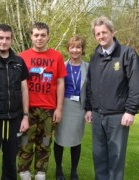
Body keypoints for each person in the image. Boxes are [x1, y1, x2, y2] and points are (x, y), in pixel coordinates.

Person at [85, 16, 139, 180]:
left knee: (116, 159)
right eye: (98, 34)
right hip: (97, 115)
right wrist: (88, 108)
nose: (101, 36)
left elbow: (135, 85)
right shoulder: (94, 56)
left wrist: (131, 111)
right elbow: (90, 85)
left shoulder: (127, 54)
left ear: (112, 32)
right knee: (99, 157)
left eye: (104, 32)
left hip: (118, 116)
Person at [18, 22, 67, 180]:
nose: (39, 38)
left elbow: (60, 83)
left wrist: (59, 108)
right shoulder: (22, 57)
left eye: (43, 35)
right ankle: (24, 170)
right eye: (36, 35)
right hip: (28, 109)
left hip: (48, 109)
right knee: (25, 140)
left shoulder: (57, 56)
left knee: (45, 142)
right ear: (31, 36)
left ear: (48, 36)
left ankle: (41, 171)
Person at [0, 24, 29, 180]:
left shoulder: (19, 62)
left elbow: (24, 89)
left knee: (10, 160)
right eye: (0, 38)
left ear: (11, 40)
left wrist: (25, 116)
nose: (4, 41)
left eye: (7, 38)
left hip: (14, 118)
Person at [53, 36, 88, 180]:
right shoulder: (62, 65)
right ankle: (59, 169)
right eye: (72, 47)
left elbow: (91, 90)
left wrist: (89, 109)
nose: (75, 50)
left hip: (79, 108)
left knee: (76, 140)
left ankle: (74, 170)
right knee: (59, 139)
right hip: (62, 106)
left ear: (82, 49)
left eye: (78, 47)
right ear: (68, 49)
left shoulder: (88, 67)